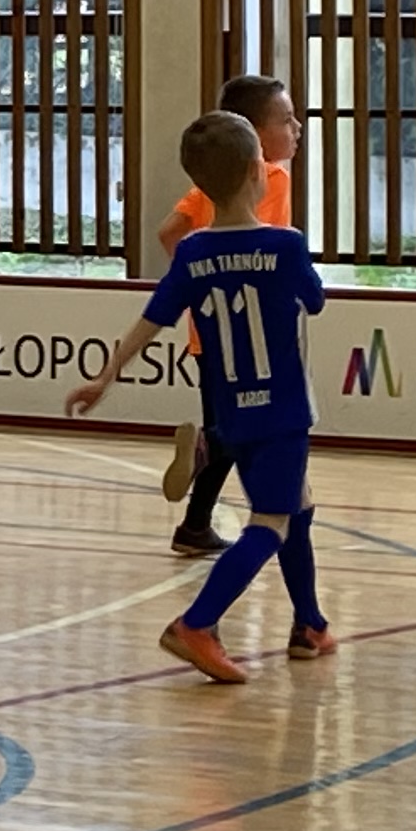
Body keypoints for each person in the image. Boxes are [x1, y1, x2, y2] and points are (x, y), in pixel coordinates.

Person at [70, 109, 330, 684]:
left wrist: (106, 376)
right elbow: (314, 301)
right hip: (283, 410)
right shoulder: (286, 245)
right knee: (271, 522)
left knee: (298, 504)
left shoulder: (192, 253)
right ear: (257, 172)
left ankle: (310, 624)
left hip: (231, 412)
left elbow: (152, 320)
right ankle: (197, 623)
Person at [150, 72, 300, 559]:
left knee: (231, 421)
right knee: (248, 427)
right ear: (253, 133)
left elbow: (169, 232)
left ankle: (195, 526)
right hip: (249, 334)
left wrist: (198, 282)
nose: (297, 127)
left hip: (208, 330)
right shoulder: (271, 178)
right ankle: (207, 452)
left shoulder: (209, 187)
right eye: (286, 119)